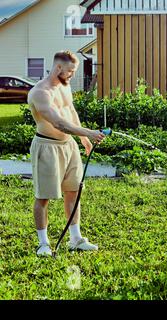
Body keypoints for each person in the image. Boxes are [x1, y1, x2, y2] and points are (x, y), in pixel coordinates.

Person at [28, 51, 106, 256]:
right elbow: (59, 123)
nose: (72, 75)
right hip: (47, 147)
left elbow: (70, 111)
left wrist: (83, 138)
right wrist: (89, 131)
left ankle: (75, 239)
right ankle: (43, 244)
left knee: (73, 192)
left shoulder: (65, 85)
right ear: (58, 68)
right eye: (70, 71)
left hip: (69, 146)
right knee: (43, 197)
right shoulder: (40, 92)